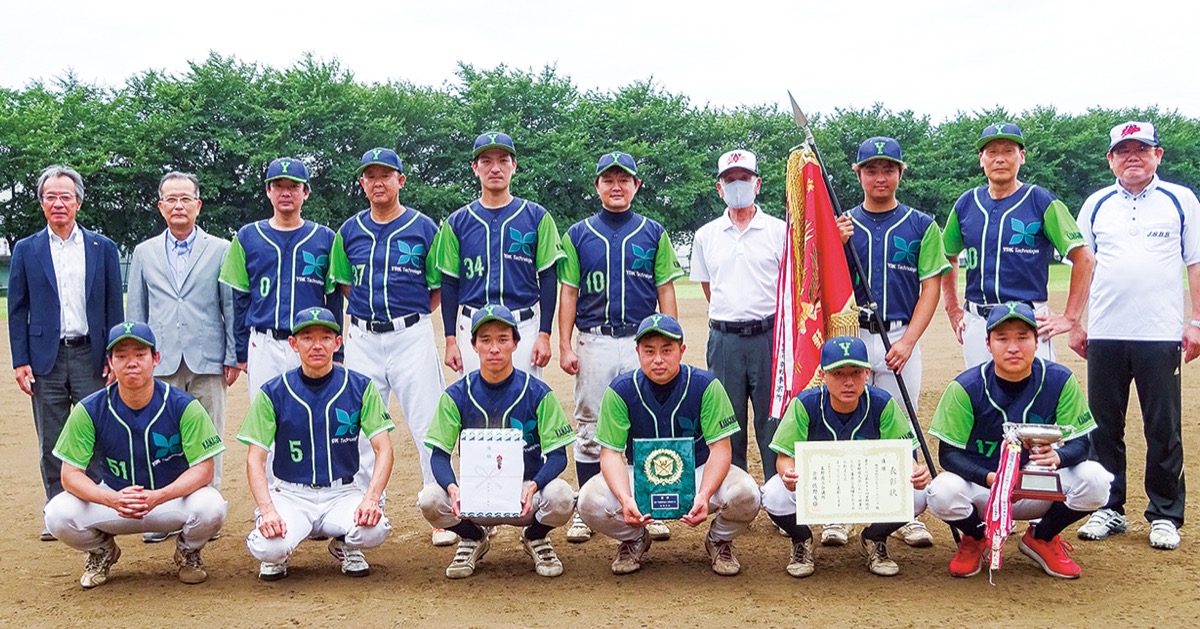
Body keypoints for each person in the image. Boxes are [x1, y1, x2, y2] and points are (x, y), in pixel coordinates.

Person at [1074, 121, 1200, 551]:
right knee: (1103, 426)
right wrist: (1076, 321)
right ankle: (1109, 508)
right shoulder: (1095, 204)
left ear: (1158, 155)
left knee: (1161, 427)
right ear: (1110, 158)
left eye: (1141, 149)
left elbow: (1196, 263)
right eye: (1123, 150)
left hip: (1160, 334)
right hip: (1106, 333)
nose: (1132, 157)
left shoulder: (1180, 200)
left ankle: (1165, 514)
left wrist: (1196, 322)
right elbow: (1083, 266)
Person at [926, 302, 1112, 579]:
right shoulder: (966, 387)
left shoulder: (1060, 380)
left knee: (1096, 480)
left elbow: (1081, 443)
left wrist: (1060, 457)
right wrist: (990, 478)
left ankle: (1043, 537)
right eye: (1002, 338)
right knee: (941, 491)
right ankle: (977, 538)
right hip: (986, 489)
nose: (1013, 347)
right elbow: (949, 455)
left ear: (1037, 342)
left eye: (1023, 337)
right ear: (988, 344)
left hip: (1040, 485)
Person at [558, 151, 684, 544]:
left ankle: (648, 504)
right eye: (608, 180)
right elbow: (569, 292)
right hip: (594, 338)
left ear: (636, 186)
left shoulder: (653, 231)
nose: (616, 186)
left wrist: (672, 339)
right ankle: (586, 508)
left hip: (641, 342)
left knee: (643, 422)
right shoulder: (578, 234)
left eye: (624, 179)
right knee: (592, 424)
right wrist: (564, 343)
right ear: (597, 186)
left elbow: (665, 288)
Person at [43, 322, 227, 588]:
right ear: (110, 362)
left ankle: (188, 552)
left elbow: (204, 469)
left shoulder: (184, 406)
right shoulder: (90, 409)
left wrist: (160, 496)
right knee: (56, 513)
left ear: (156, 359)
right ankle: (101, 551)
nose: (131, 362)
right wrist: (112, 499)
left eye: (140, 354)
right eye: (121, 356)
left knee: (212, 506)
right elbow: (70, 475)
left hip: (169, 500)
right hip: (116, 501)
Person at [830, 136, 948, 549]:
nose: (880, 177)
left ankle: (902, 513)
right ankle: (841, 512)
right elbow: (824, 282)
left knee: (899, 424)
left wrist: (910, 341)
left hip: (898, 333)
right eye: (871, 170)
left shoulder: (921, 224)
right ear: (858, 174)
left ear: (900, 173)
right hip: (851, 334)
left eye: (888, 169)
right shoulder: (840, 222)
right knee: (848, 422)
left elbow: (930, 287)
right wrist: (837, 245)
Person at [329, 148, 450, 546]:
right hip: (362, 335)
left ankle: (441, 511)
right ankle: (363, 507)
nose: (378, 182)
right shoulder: (348, 231)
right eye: (370, 176)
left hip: (410, 332)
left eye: (387, 175)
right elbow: (344, 285)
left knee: (428, 422)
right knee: (361, 428)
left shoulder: (422, 227)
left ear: (401, 180)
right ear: (362, 183)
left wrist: (409, 316)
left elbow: (437, 288)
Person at [577, 313, 761, 576]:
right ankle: (634, 538)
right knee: (588, 501)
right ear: (637, 351)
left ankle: (719, 540)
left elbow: (721, 449)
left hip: (697, 474)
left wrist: (705, 494)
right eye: (649, 351)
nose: (658, 359)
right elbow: (611, 454)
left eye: (667, 350)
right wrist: (625, 498)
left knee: (747, 493)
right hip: (640, 479)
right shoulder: (620, 390)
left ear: (681, 350)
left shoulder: (706, 386)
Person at [8, 165, 124, 541]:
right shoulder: (26, 250)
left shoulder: (102, 248)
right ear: (42, 202)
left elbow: (112, 308)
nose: (58, 203)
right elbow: (17, 308)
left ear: (78, 201)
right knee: (53, 439)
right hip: (46, 359)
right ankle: (57, 510)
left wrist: (114, 355)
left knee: (96, 434)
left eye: (65, 196)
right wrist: (20, 360)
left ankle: (99, 507)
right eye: (50, 196)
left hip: (92, 353)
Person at [419, 305, 576, 579]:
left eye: (503, 339)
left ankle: (535, 536)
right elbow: (439, 456)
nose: (494, 348)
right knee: (430, 499)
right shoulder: (456, 395)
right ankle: (473, 537)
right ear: (474, 345)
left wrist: (534, 485)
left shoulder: (539, 393)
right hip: (475, 496)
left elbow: (558, 456)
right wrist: (454, 489)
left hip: (524, 496)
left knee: (562, 496)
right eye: (486, 340)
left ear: (515, 343)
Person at [239, 308, 395, 580]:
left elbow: (384, 448)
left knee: (375, 528)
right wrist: (268, 511)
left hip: (342, 492)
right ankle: (278, 550)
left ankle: (346, 543)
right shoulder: (273, 391)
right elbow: (255, 458)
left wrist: (371, 500)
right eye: (307, 338)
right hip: (290, 494)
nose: (317, 345)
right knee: (268, 548)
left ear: (337, 343)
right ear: (293, 344)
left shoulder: (359, 386)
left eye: (325, 337)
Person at [126, 171, 239, 543]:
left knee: (209, 434)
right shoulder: (143, 252)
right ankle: (160, 514)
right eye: (171, 199)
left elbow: (229, 306)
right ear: (160, 206)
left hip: (208, 357)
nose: (178, 205)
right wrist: (137, 358)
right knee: (161, 436)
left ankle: (208, 512)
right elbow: (136, 312)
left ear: (198, 205)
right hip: (161, 360)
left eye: (185, 198)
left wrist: (233, 355)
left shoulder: (221, 248)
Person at [761, 336, 930, 577]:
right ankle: (801, 539)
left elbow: (903, 457)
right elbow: (784, 456)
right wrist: (787, 473)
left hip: (866, 486)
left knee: (921, 493)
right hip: (818, 487)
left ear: (867, 373)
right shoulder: (805, 404)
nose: (848, 381)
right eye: (838, 373)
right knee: (773, 494)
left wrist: (915, 471)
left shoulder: (883, 404)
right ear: (823, 375)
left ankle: (875, 538)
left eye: (855, 372)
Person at [940, 122, 1095, 368]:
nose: (1000, 159)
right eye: (992, 153)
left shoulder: (1041, 201)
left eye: (1008, 151)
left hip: (1028, 320)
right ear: (981, 159)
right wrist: (953, 309)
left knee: (1036, 400)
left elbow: (1084, 257)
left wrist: (1070, 317)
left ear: (1022, 157)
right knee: (982, 399)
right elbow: (947, 257)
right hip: (979, 321)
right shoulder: (966, 203)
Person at [689, 149, 787, 482]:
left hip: (769, 339)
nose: (737, 186)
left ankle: (778, 498)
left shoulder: (779, 231)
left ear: (757, 183)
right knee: (727, 422)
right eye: (730, 180)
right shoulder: (705, 236)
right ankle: (736, 494)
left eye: (744, 179)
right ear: (719, 188)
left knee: (772, 420)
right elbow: (708, 287)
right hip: (725, 340)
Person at [435, 132, 564, 379]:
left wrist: (544, 334)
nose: (495, 168)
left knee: (525, 407)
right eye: (486, 161)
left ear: (514, 166)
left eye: (503, 160)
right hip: (473, 324)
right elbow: (449, 282)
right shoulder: (457, 222)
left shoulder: (537, 216)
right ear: (475, 168)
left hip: (523, 324)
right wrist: (450, 339)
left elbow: (548, 278)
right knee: (473, 404)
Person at [219, 157, 341, 395]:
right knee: (265, 416)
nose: (286, 192)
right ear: (268, 191)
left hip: (309, 341)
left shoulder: (325, 237)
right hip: (263, 341)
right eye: (278, 186)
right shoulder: (247, 236)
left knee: (311, 413)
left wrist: (338, 351)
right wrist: (241, 351)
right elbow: (239, 299)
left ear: (305, 192)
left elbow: (333, 300)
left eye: (293, 186)